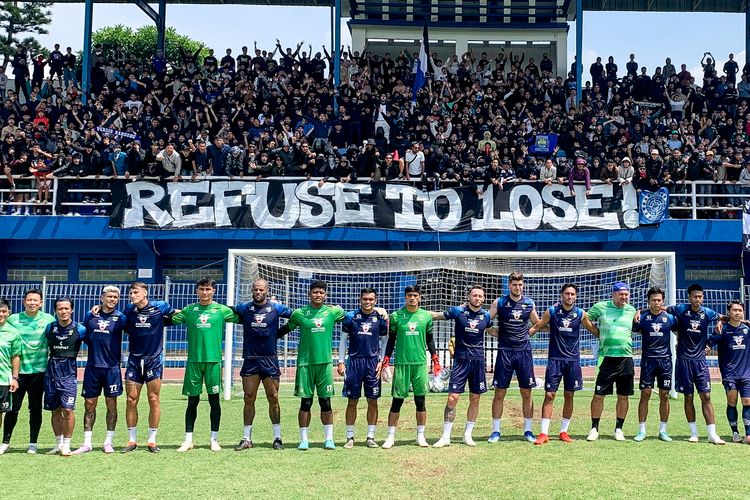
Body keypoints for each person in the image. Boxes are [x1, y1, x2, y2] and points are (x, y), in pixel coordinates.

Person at [172, 277, 237, 452]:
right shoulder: (189, 310)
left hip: (213, 362)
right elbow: (166, 319)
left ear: (214, 291)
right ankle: (188, 440)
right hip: (194, 362)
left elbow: (243, 316)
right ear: (197, 291)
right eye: (202, 289)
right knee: (192, 402)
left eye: (208, 289)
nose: (205, 292)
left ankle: (214, 439)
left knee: (214, 401)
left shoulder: (221, 310)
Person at [279, 280, 345, 450]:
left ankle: (329, 439)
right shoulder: (300, 313)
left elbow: (353, 316)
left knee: (326, 402)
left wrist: (379, 312)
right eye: (315, 292)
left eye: (321, 292)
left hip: (324, 364)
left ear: (326, 295)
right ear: (309, 294)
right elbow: (286, 328)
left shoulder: (332, 312)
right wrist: (266, 337)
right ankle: (304, 440)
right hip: (305, 364)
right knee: (305, 403)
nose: (318, 295)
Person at [232, 278, 292, 450]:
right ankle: (246, 438)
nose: (258, 292)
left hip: (269, 359)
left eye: (261, 290)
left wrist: (278, 333)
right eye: (255, 290)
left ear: (267, 291)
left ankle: (278, 437)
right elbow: (228, 311)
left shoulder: (276, 308)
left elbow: (296, 317)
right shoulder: (245, 308)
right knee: (248, 397)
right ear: (252, 290)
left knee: (273, 397)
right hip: (250, 359)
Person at [378, 285, 440, 449]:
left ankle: (421, 436)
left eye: (415, 295)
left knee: (420, 401)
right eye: (409, 295)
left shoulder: (426, 316)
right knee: (397, 401)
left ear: (419, 297)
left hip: (419, 364)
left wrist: (435, 358)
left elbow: (430, 338)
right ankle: (390, 437)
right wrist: (386, 359)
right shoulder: (396, 316)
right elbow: (391, 340)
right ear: (405, 297)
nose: (412, 298)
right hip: (402, 363)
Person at [431, 285, 491, 448]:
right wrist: (416, 313)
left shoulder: (486, 316)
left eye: (480, 296)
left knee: (475, 398)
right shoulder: (458, 312)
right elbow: (436, 316)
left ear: (483, 299)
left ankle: (467, 434)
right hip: (460, 361)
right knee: (453, 398)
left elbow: (492, 330)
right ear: (468, 296)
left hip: (478, 361)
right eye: (474, 295)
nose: (477, 298)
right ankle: (445, 437)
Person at [528, 283, 588, 444]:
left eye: (572, 294)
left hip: (573, 361)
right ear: (562, 295)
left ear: (576, 296)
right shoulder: (552, 311)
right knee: (549, 395)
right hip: (555, 360)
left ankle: (564, 431)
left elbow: (593, 329)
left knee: (569, 395)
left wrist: (607, 338)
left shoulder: (581, 314)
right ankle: (543, 433)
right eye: (567, 293)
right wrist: (524, 336)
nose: (570, 296)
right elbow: (538, 325)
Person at [667, 283, 726, 444]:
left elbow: (726, 318)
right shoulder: (680, 309)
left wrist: (723, 322)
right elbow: (660, 309)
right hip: (684, 360)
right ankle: (694, 433)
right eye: (695, 296)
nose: (697, 299)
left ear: (703, 297)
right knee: (688, 396)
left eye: (700, 296)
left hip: (700, 361)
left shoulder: (708, 313)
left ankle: (712, 434)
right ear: (689, 297)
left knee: (706, 396)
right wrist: (640, 311)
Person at [121, 282, 176, 453]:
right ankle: (132, 440)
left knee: (153, 399)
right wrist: (96, 309)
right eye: (131, 292)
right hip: (134, 361)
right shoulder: (128, 311)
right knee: (131, 400)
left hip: (153, 360)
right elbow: (113, 317)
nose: (132, 295)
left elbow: (177, 315)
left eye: (136, 292)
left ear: (145, 293)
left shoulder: (160, 307)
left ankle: (152, 440)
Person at [73, 286, 127, 454]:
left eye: (115, 297)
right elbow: (84, 336)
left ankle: (108, 442)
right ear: (102, 297)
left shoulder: (121, 318)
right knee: (89, 404)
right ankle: (87, 442)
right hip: (93, 368)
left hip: (112, 369)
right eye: (109, 296)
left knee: (112, 405)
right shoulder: (91, 315)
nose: (112, 299)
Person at [488, 272, 539, 443]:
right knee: (500, 392)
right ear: (509, 285)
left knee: (527, 392)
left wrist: (529, 333)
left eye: (521, 285)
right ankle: (496, 431)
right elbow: (485, 321)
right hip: (505, 352)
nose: (518, 288)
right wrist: (497, 334)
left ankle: (528, 430)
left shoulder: (529, 303)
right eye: (515, 284)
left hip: (524, 352)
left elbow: (537, 323)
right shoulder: (500, 302)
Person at [3, 289, 55, 454]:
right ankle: (5, 442)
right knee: (13, 409)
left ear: (41, 303)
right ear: (24, 302)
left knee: (35, 409)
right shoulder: (13, 319)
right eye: (29, 300)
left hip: (39, 373)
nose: (32, 303)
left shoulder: (48, 319)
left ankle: (33, 443)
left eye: (36, 300)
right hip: (18, 374)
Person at [585, 282, 636, 442]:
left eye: (626, 294)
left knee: (623, 396)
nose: (624, 297)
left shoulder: (631, 310)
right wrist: (596, 332)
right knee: (599, 395)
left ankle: (619, 429)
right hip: (606, 358)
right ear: (613, 294)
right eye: (621, 294)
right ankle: (594, 428)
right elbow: (585, 318)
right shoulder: (601, 307)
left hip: (626, 358)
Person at [337, 288, 388, 449]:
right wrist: (340, 361)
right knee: (352, 401)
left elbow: (385, 341)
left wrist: (382, 361)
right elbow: (343, 341)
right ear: (360, 299)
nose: (368, 302)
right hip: (354, 363)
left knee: (373, 401)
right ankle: (350, 437)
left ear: (376, 300)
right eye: (365, 299)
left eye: (371, 299)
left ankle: (370, 436)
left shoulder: (380, 318)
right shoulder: (351, 317)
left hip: (373, 364)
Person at [632, 287, 677, 442]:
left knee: (664, 395)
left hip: (665, 361)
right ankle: (642, 430)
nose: (656, 303)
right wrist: (638, 311)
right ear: (648, 301)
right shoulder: (642, 317)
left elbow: (680, 330)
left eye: (659, 300)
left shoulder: (670, 318)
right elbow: (632, 327)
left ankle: (663, 431)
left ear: (662, 301)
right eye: (653, 300)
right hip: (648, 361)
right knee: (645, 394)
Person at [43, 297, 87, 456]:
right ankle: (58, 443)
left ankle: (67, 445)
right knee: (55, 411)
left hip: (68, 376)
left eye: (66, 308)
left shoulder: (80, 329)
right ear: (55, 311)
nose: (63, 311)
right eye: (60, 309)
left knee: (68, 410)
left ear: (72, 310)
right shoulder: (50, 328)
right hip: (51, 374)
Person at [710, 300, 750, 444]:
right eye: (734, 310)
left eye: (740, 310)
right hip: (729, 373)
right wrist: (706, 347)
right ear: (729, 312)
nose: (737, 313)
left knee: (747, 402)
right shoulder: (723, 329)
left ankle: (748, 433)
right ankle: (735, 432)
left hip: (746, 373)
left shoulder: (747, 329)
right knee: (732, 401)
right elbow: (709, 343)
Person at [0, 299, 20, 455]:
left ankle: (3, 442)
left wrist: (14, 377)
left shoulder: (13, 332)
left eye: (3, 311)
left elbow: (15, 356)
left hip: (2, 379)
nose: (1, 314)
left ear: (8, 313)